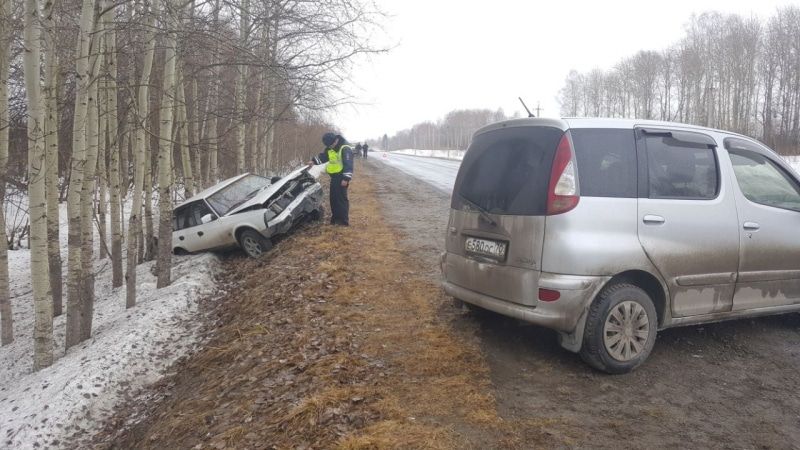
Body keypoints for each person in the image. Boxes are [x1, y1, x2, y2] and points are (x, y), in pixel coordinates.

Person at [308, 132, 354, 226]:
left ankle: (343, 222)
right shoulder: (330, 148)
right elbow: (323, 157)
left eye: (332, 144)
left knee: (341, 200)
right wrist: (313, 161)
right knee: (333, 199)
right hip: (334, 177)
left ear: (336, 140)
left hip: (342, 178)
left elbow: (348, 165)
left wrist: (346, 179)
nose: (331, 147)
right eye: (329, 145)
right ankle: (335, 219)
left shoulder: (344, 148)